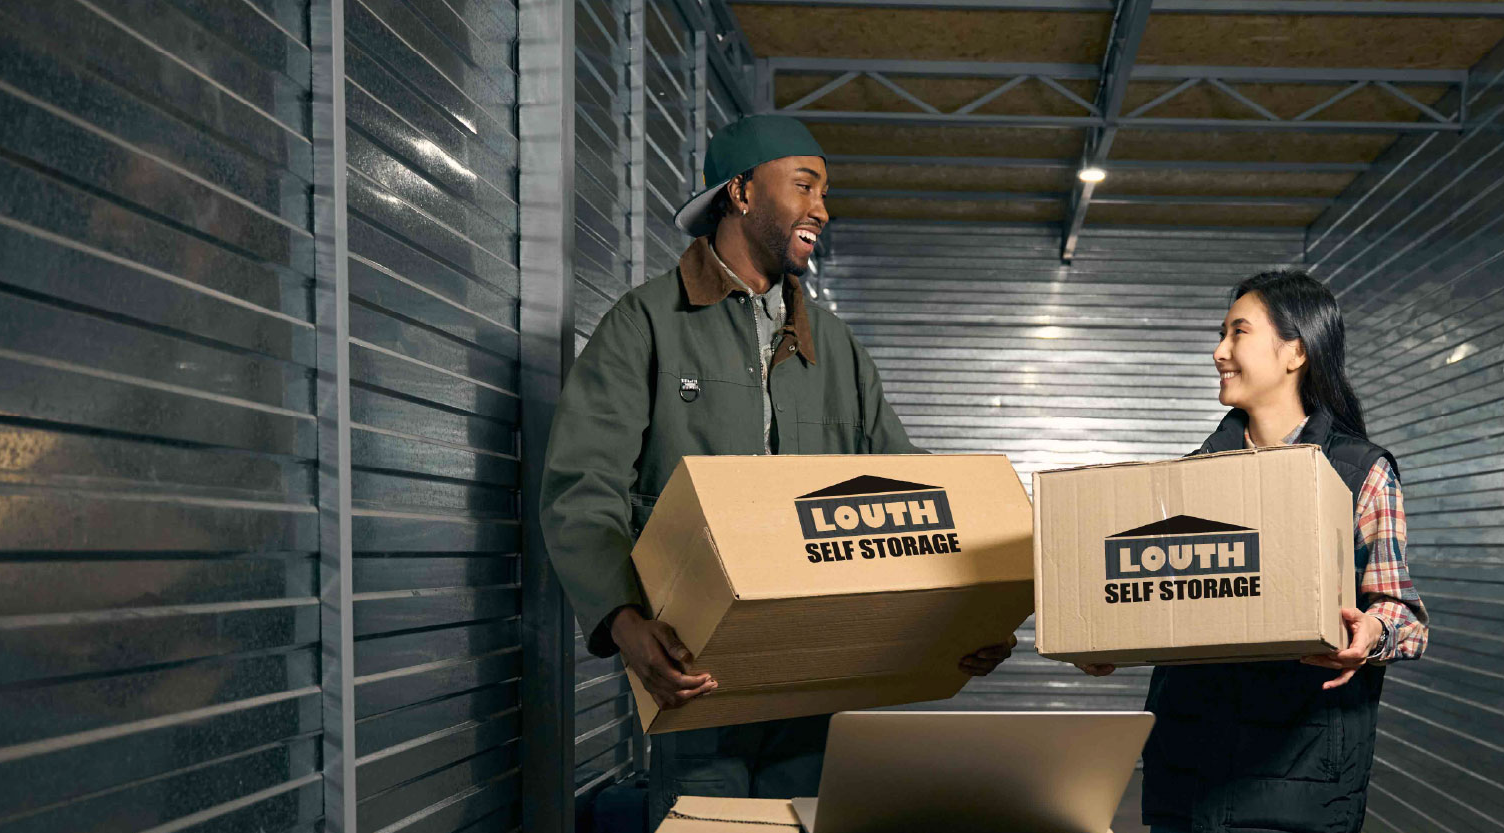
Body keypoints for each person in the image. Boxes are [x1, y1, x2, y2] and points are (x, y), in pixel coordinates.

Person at [539, 114, 1016, 826]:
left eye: (824, 191)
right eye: (804, 185)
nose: (822, 208)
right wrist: (622, 619)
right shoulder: (648, 324)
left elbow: (907, 487)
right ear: (739, 191)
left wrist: (969, 608)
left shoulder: (834, 348)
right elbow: (583, 485)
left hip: (821, 671)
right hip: (697, 673)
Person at [1076, 269, 1429, 833]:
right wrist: (1104, 636)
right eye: (1221, 334)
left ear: (1296, 352)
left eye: (1238, 332)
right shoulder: (1189, 480)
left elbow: (1404, 615)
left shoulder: (1359, 472)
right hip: (1188, 771)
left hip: (1301, 776)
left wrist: (1370, 635)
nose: (1219, 351)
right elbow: (1165, 600)